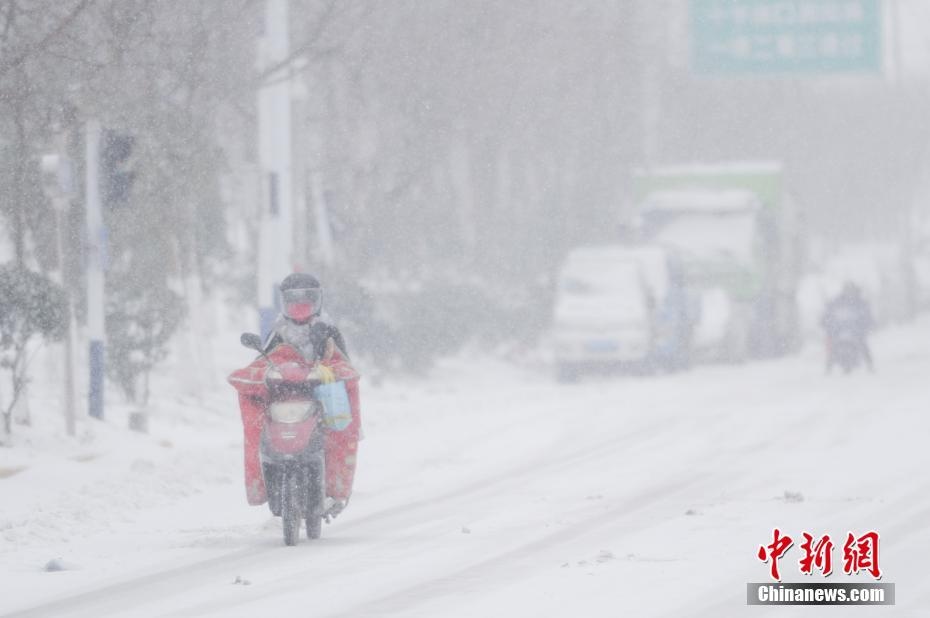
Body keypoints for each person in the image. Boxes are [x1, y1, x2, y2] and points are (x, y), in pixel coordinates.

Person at [235, 273, 361, 518]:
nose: (300, 304)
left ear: (318, 299)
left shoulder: (328, 328)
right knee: (260, 425)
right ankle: (267, 481)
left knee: (337, 436)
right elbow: (264, 359)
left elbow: (344, 364)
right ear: (284, 301)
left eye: (307, 298)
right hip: (285, 395)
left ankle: (333, 489)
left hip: (318, 398)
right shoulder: (279, 330)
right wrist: (270, 374)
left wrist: (327, 368)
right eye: (293, 298)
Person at [820, 281, 875, 372]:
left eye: (851, 290)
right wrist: (826, 323)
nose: (849, 293)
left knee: (862, 343)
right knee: (832, 344)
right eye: (848, 290)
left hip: (855, 330)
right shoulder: (838, 301)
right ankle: (829, 366)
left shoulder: (860, 302)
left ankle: (870, 364)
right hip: (839, 329)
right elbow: (829, 313)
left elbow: (867, 315)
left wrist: (867, 324)